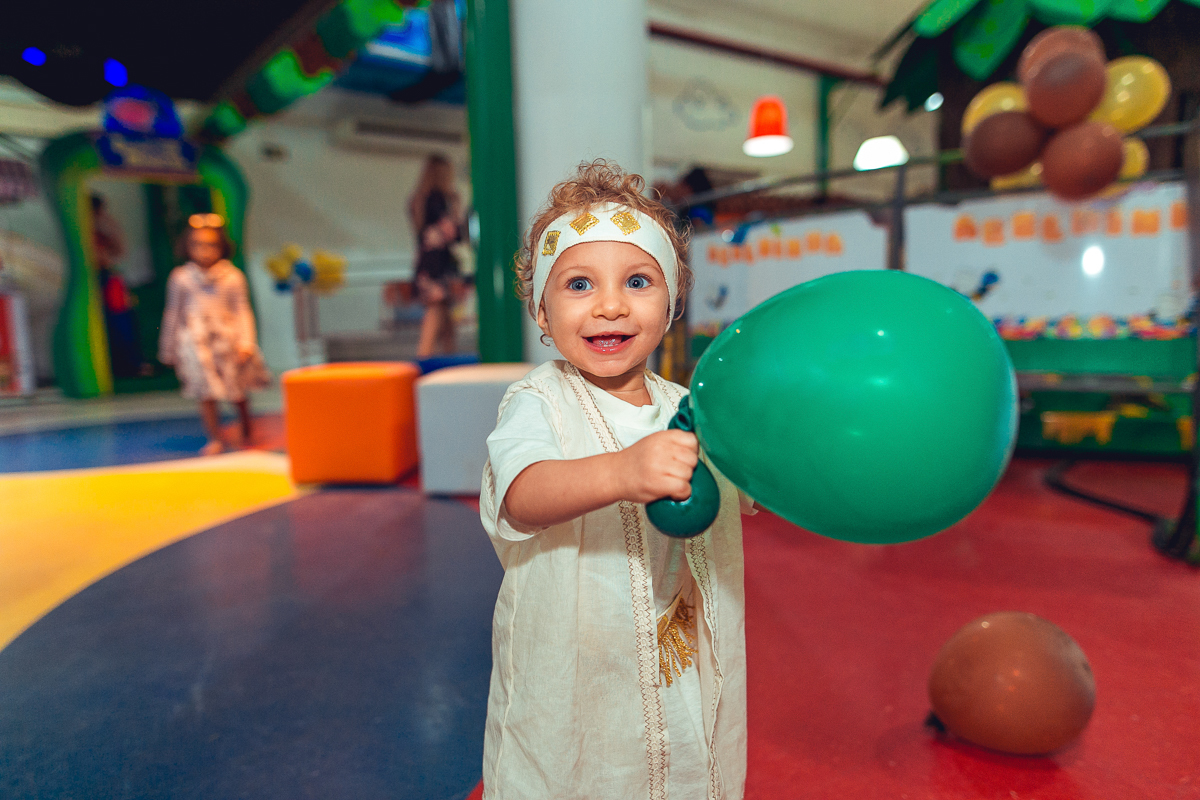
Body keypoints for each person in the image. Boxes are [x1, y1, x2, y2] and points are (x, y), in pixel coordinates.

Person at [479, 160, 754, 799]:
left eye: (637, 281)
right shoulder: (539, 401)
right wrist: (622, 471)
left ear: (672, 304)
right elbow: (521, 495)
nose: (610, 305)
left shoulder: (685, 403)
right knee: (571, 768)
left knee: (680, 765)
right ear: (541, 314)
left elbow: (737, 488)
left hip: (674, 655)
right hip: (576, 662)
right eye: (578, 284)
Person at [158, 214, 270, 455]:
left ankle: (246, 429)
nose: (204, 251)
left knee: (237, 389)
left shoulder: (232, 277)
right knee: (205, 391)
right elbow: (173, 313)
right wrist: (168, 348)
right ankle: (215, 437)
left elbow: (242, 310)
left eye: (211, 245)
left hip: (227, 341)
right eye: (197, 245)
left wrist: (246, 342)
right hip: (197, 344)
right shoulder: (181, 278)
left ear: (222, 247)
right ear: (187, 247)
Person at [408, 154, 464, 357]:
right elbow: (453, 234)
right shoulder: (440, 201)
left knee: (444, 320)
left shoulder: (420, 200)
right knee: (436, 316)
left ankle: (444, 361)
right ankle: (425, 363)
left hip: (426, 265)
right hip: (438, 267)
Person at [91, 193, 145, 378]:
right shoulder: (83, 234)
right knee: (109, 323)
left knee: (122, 319)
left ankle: (132, 364)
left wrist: (109, 223)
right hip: (94, 280)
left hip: (108, 278)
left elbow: (119, 252)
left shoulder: (101, 233)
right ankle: (122, 366)